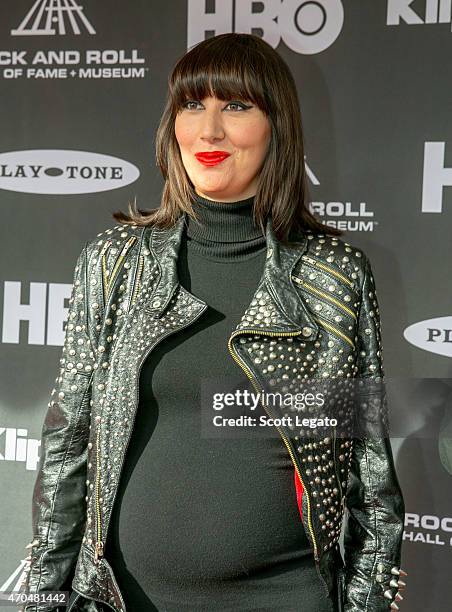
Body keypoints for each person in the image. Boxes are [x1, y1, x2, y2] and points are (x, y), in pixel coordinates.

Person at [19, 33, 406, 612]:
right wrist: (44, 594)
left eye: (237, 106)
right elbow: (68, 439)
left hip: (287, 596)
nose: (209, 131)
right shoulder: (115, 260)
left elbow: (370, 468)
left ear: (278, 125)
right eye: (192, 105)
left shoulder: (336, 274)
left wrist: (367, 600)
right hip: (130, 597)